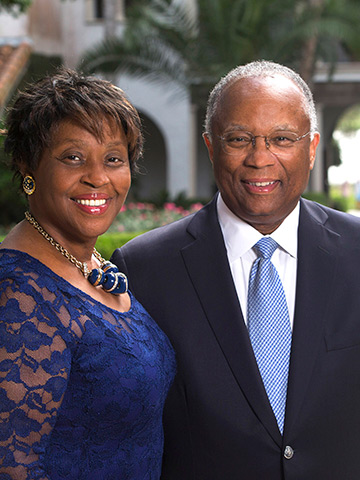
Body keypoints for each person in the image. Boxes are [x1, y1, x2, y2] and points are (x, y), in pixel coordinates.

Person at [111, 60, 360, 479]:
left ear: (312, 147)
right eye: (239, 139)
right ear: (211, 146)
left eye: (282, 139)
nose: (260, 159)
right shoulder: (143, 270)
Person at [0, 68, 176, 480]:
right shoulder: (20, 295)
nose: (98, 178)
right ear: (29, 167)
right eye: (73, 158)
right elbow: (12, 469)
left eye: (114, 159)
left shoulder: (93, 266)